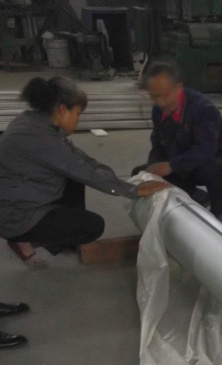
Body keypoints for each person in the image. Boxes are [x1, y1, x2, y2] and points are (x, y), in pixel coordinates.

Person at [0, 76, 169, 266]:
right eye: (78, 114)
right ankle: (23, 239)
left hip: (21, 196)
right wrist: (135, 190)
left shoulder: (33, 122)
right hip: (16, 216)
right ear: (62, 110)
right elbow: (87, 173)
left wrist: (110, 174)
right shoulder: (40, 139)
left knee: (74, 178)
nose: (78, 120)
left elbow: (78, 158)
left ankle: (61, 235)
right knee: (92, 227)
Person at [134, 62, 222, 228]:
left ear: (179, 88)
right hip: (183, 163)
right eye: (155, 97)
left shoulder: (203, 109)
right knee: (141, 173)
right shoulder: (158, 111)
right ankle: (195, 196)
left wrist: (171, 165)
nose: (161, 102)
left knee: (212, 168)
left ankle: (221, 214)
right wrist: (153, 168)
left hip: (218, 164)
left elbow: (206, 150)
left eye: (165, 95)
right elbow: (158, 144)